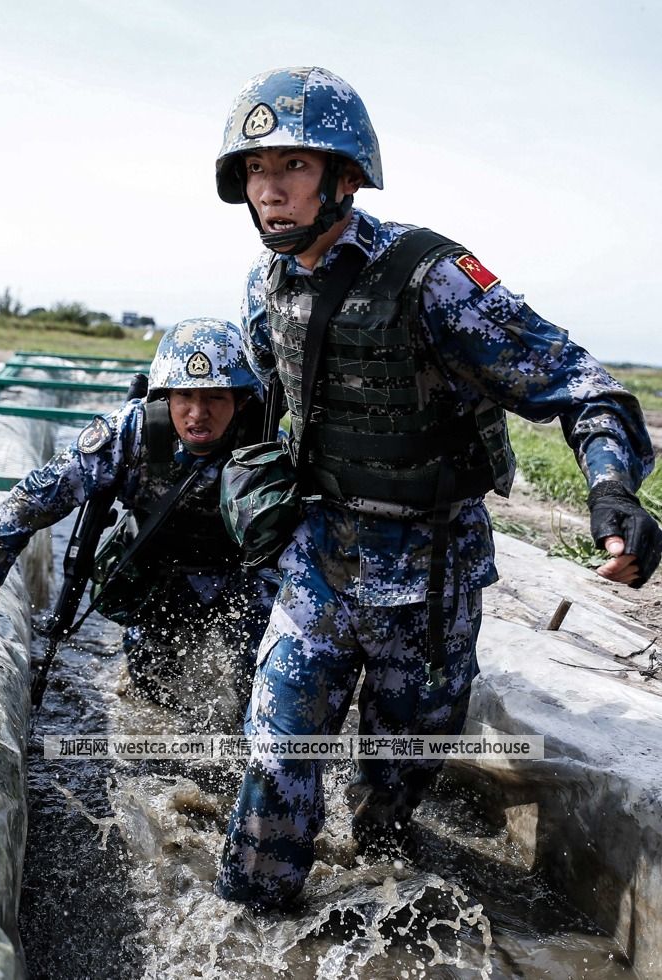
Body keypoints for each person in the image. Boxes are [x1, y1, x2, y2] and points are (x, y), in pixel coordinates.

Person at [211, 66, 662, 908]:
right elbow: (273, 404)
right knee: (276, 757)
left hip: (429, 577)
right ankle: (253, 923)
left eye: (293, 166)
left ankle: (381, 878)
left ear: (346, 175)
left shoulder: (433, 277)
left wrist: (611, 492)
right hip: (319, 560)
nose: (269, 189)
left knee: (395, 784)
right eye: (255, 170)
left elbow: (581, 384)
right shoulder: (264, 285)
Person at [0, 318, 277, 724]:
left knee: (259, 688)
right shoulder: (131, 432)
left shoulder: (266, 440)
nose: (198, 414)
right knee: (152, 696)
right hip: (158, 572)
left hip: (242, 574)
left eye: (215, 397)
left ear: (241, 400)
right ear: (164, 396)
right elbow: (30, 501)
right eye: (184, 395)